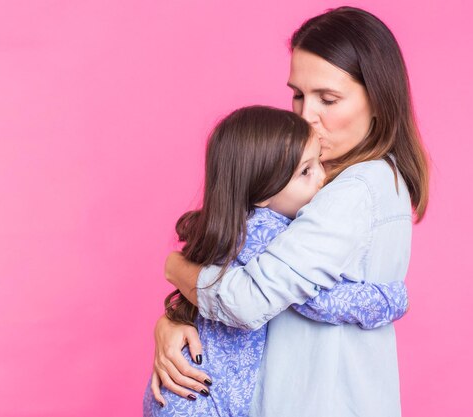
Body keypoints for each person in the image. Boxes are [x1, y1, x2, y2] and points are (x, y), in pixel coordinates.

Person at [153, 6, 429, 416]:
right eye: (298, 94)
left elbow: (247, 301)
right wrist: (173, 321)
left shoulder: (354, 191)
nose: (305, 116)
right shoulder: (320, 181)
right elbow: (244, 276)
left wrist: (176, 267)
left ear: (379, 101)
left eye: (329, 99)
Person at [143, 105, 408, 416]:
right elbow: (319, 299)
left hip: (189, 396)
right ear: (263, 192)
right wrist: (390, 300)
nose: (323, 179)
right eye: (306, 171)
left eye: (318, 164)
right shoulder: (262, 231)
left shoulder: (235, 224)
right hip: (196, 402)